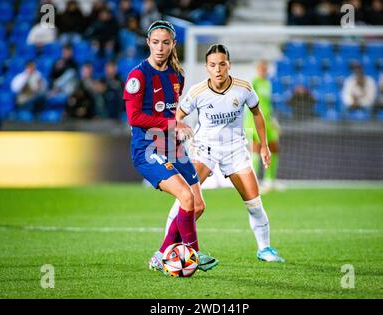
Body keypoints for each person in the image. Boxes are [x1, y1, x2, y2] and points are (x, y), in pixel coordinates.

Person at [166, 44, 285, 263]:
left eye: (222, 64)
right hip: (204, 150)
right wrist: (179, 128)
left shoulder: (244, 88)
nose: (218, 69)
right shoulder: (197, 92)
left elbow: (257, 113)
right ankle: (167, 248)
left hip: (235, 150)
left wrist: (265, 146)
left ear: (228, 65)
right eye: (213, 65)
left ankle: (264, 249)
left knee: (255, 203)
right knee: (186, 199)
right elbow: (176, 116)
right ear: (206, 68)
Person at [122, 20, 218, 273]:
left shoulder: (178, 75)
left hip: (173, 147)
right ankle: (193, 254)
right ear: (148, 43)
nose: (160, 48)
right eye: (155, 43)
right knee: (185, 197)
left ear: (173, 44)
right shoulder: (138, 76)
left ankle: (162, 255)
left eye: (166, 43)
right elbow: (134, 118)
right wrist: (171, 124)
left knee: (198, 205)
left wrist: (179, 128)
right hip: (148, 149)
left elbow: (173, 112)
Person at [244, 60, 283, 192]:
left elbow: (268, 104)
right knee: (256, 148)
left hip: (267, 120)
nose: (263, 71)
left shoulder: (268, 83)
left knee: (274, 147)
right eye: (261, 68)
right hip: (254, 121)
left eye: (265, 69)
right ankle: (254, 183)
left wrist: (273, 121)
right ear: (257, 69)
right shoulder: (253, 82)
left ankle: (269, 181)